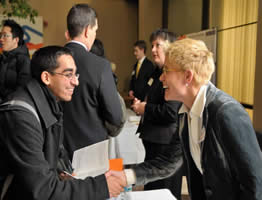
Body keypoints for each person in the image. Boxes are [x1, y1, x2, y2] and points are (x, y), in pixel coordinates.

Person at [113, 38, 262, 200]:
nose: (161, 78)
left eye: (166, 71)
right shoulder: (185, 114)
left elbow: (255, 182)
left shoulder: (226, 112)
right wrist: (125, 176)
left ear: (188, 76)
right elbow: (169, 162)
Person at [0, 46, 124, 199]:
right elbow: (43, 189)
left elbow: (56, 155)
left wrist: (64, 172)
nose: (76, 82)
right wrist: (102, 187)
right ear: (46, 77)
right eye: (68, 75)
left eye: (76, 74)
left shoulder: (50, 103)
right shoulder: (20, 116)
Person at [63, 4, 124, 159]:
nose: (95, 35)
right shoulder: (100, 66)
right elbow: (116, 116)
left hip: (56, 150)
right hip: (91, 151)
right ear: (87, 30)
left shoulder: (51, 61)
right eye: (95, 30)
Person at [131, 29, 183, 199]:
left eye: (157, 45)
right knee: (152, 190)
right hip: (154, 141)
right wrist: (141, 104)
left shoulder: (174, 74)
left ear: (171, 48)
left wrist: (145, 108)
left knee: (162, 191)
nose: (153, 50)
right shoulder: (157, 72)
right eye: (152, 45)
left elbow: (170, 112)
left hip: (165, 144)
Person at [0, 19, 31, 102]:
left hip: (11, 107)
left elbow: (22, 91)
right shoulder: (2, 58)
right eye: (1, 35)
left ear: (16, 40)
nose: (1, 39)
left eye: (5, 35)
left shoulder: (24, 61)